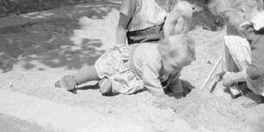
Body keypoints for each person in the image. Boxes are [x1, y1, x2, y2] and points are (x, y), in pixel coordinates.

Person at [55, 33, 196, 97]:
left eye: (180, 67)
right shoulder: (153, 60)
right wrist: (162, 98)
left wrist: (178, 93)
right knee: (99, 69)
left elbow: (174, 79)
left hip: (135, 73)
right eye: (175, 66)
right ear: (164, 55)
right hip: (124, 60)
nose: (177, 70)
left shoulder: (173, 65)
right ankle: (73, 79)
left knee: (131, 86)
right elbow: (151, 82)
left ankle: (109, 84)